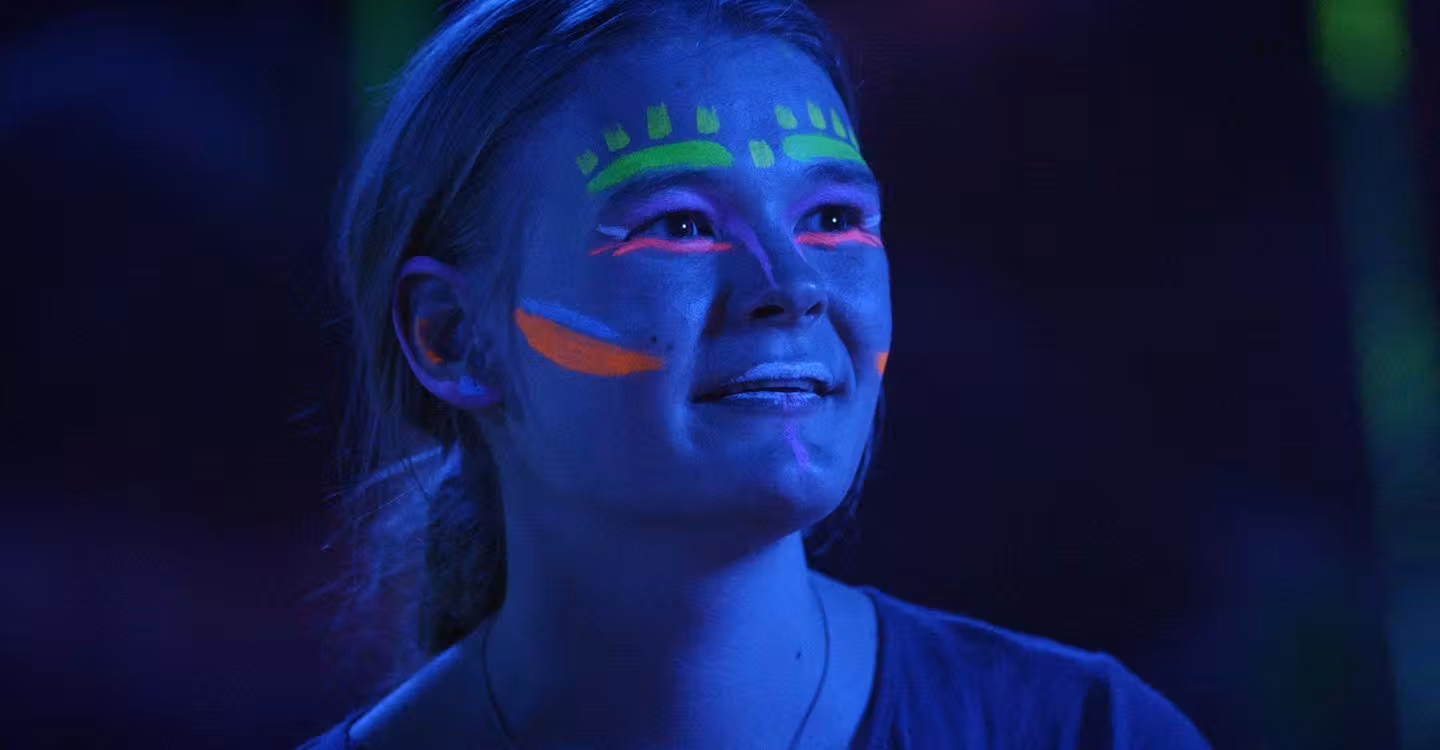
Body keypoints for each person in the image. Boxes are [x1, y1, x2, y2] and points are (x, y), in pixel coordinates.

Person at [299, 0, 1213, 747]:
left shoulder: (1092, 733)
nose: (794, 287)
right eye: (681, 225)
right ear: (454, 338)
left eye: (833, 218)